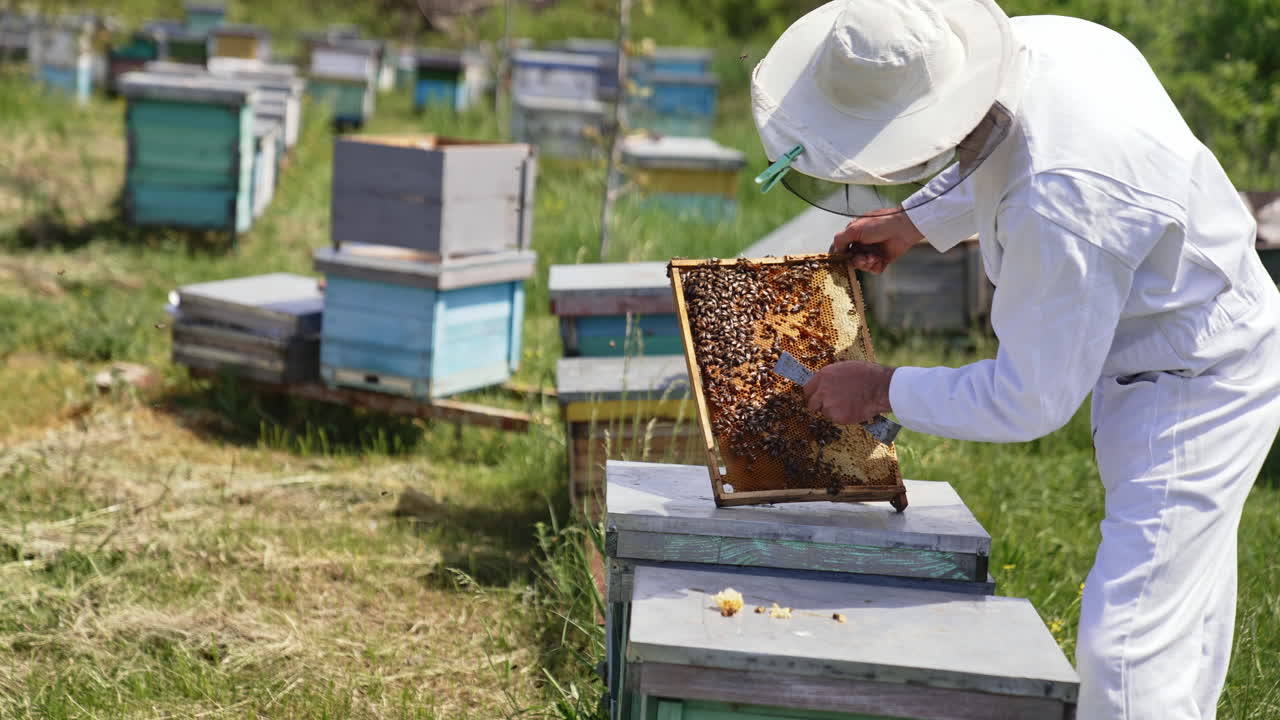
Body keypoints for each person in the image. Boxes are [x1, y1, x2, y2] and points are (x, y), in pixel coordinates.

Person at [749, 1, 1280, 718]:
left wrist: (879, 387)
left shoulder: (1061, 205)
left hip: (1197, 381)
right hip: (1181, 333)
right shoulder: (1050, 43)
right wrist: (918, 219)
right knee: (1177, 621)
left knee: (1126, 650)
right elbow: (1001, 144)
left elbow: (1029, 398)